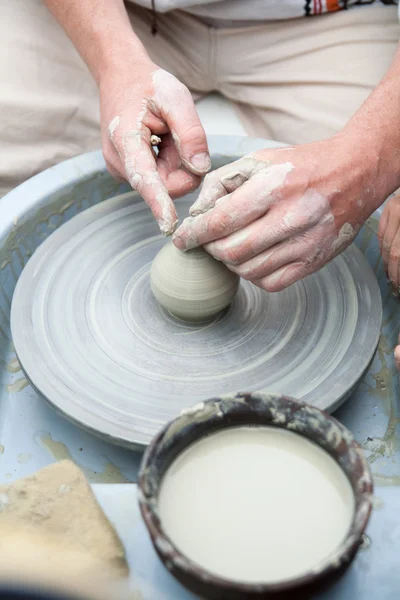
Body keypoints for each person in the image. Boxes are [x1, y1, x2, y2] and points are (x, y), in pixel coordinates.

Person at [1, 0, 399, 293]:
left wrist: (370, 159)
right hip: (118, 15)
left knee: (387, 235)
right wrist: (112, 62)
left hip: (327, 21)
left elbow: (371, 161)